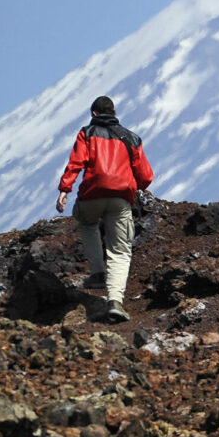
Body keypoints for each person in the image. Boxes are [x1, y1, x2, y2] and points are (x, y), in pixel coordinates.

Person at [55, 96, 154, 322]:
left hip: (91, 195)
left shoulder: (87, 133)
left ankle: (97, 272)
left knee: (88, 223)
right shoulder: (130, 137)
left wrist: (64, 190)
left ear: (94, 114)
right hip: (120, 199)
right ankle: (115, 302)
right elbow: (146, 177)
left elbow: (75, 163)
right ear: (114, 113)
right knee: (120, 251)